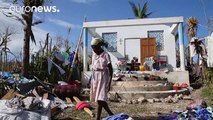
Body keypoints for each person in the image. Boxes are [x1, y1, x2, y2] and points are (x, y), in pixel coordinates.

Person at [90, 38, 114, 120]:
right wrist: (91, 79)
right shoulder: (93, 54)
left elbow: (111, 69)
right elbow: (93, 68)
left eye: (95, 47)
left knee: (101, 98)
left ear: (100, 46)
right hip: (95, 77)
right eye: (92, 47)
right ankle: (98, 118)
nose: (94, 49)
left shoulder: (106, 55)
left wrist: (110, 82)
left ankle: (110, 113)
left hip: (103, 77)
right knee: (98, 99)